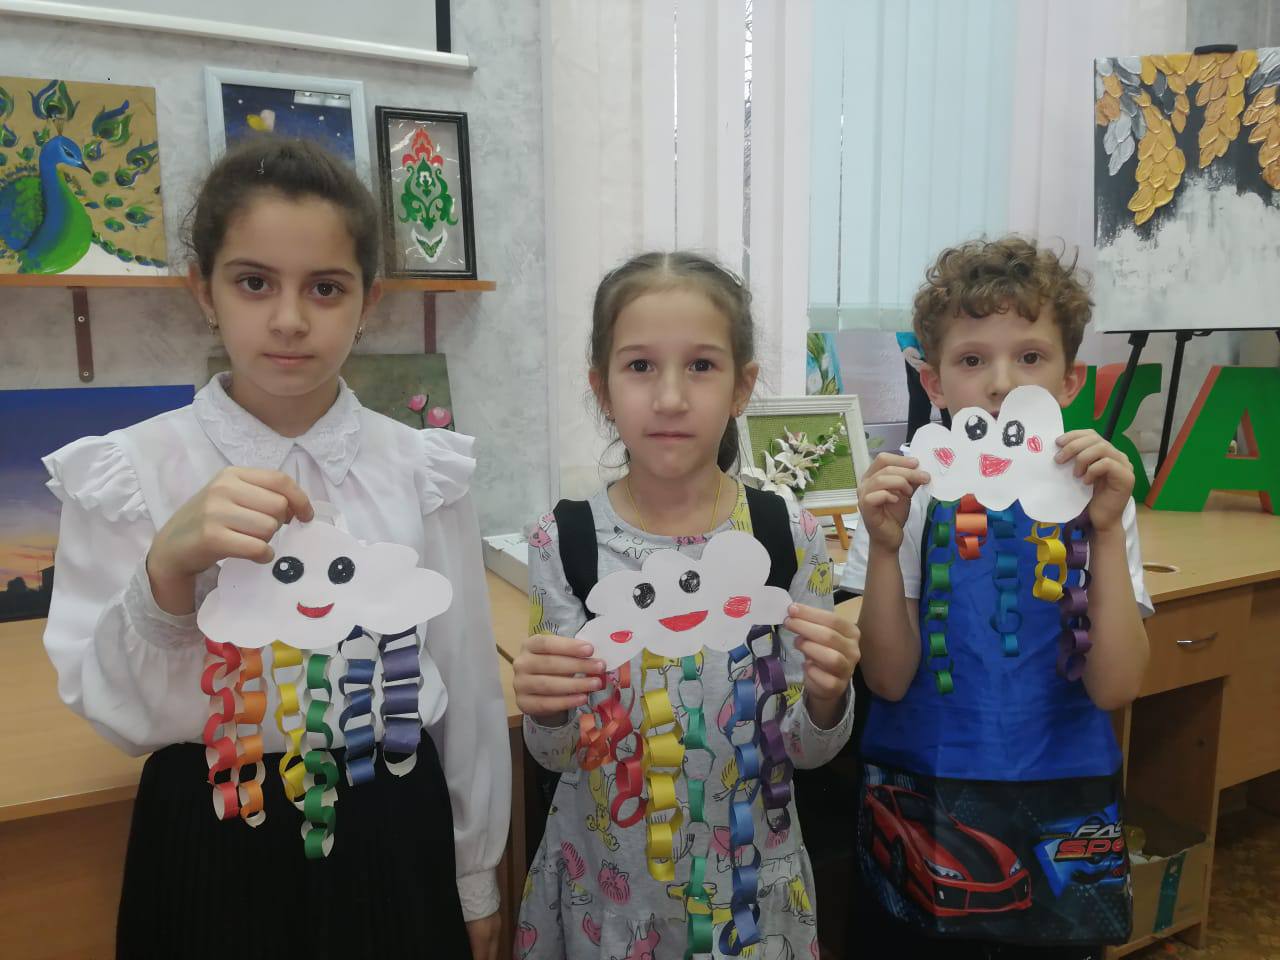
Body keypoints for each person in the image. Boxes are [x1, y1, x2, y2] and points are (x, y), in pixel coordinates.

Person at [41, 135, 508, 960]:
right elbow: (113, 710)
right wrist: (165, 570)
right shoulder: (129, 471)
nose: (290, 320)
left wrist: (475, 873)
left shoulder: (421, 470)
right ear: (204, 290)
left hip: (390, 820)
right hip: (210, 830)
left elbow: (465, 681)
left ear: (368, 301)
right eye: (254, 282)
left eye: (325, 287)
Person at [512, 251, 860, 958]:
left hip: (752, 902)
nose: (670, 397)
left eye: (701, 365)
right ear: (602, 388)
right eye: (640, 366)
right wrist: (545, 708)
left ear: (741, 387)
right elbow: (557, 753)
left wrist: (828, 698)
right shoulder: (565, 541)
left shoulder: (785, 534)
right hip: (607, 898)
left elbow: (804, 750)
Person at [842, 237, 1152, 958]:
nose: (1002, 382)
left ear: (1070, 381)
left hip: (1061, 795)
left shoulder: (1096, 495)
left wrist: (1106, 532)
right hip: (927, 791)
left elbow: (1116, 687)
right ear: (934, 382)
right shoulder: (912, 492)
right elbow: (886, 678)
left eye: (1030, 357)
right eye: (972, 359)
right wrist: (884, 547)